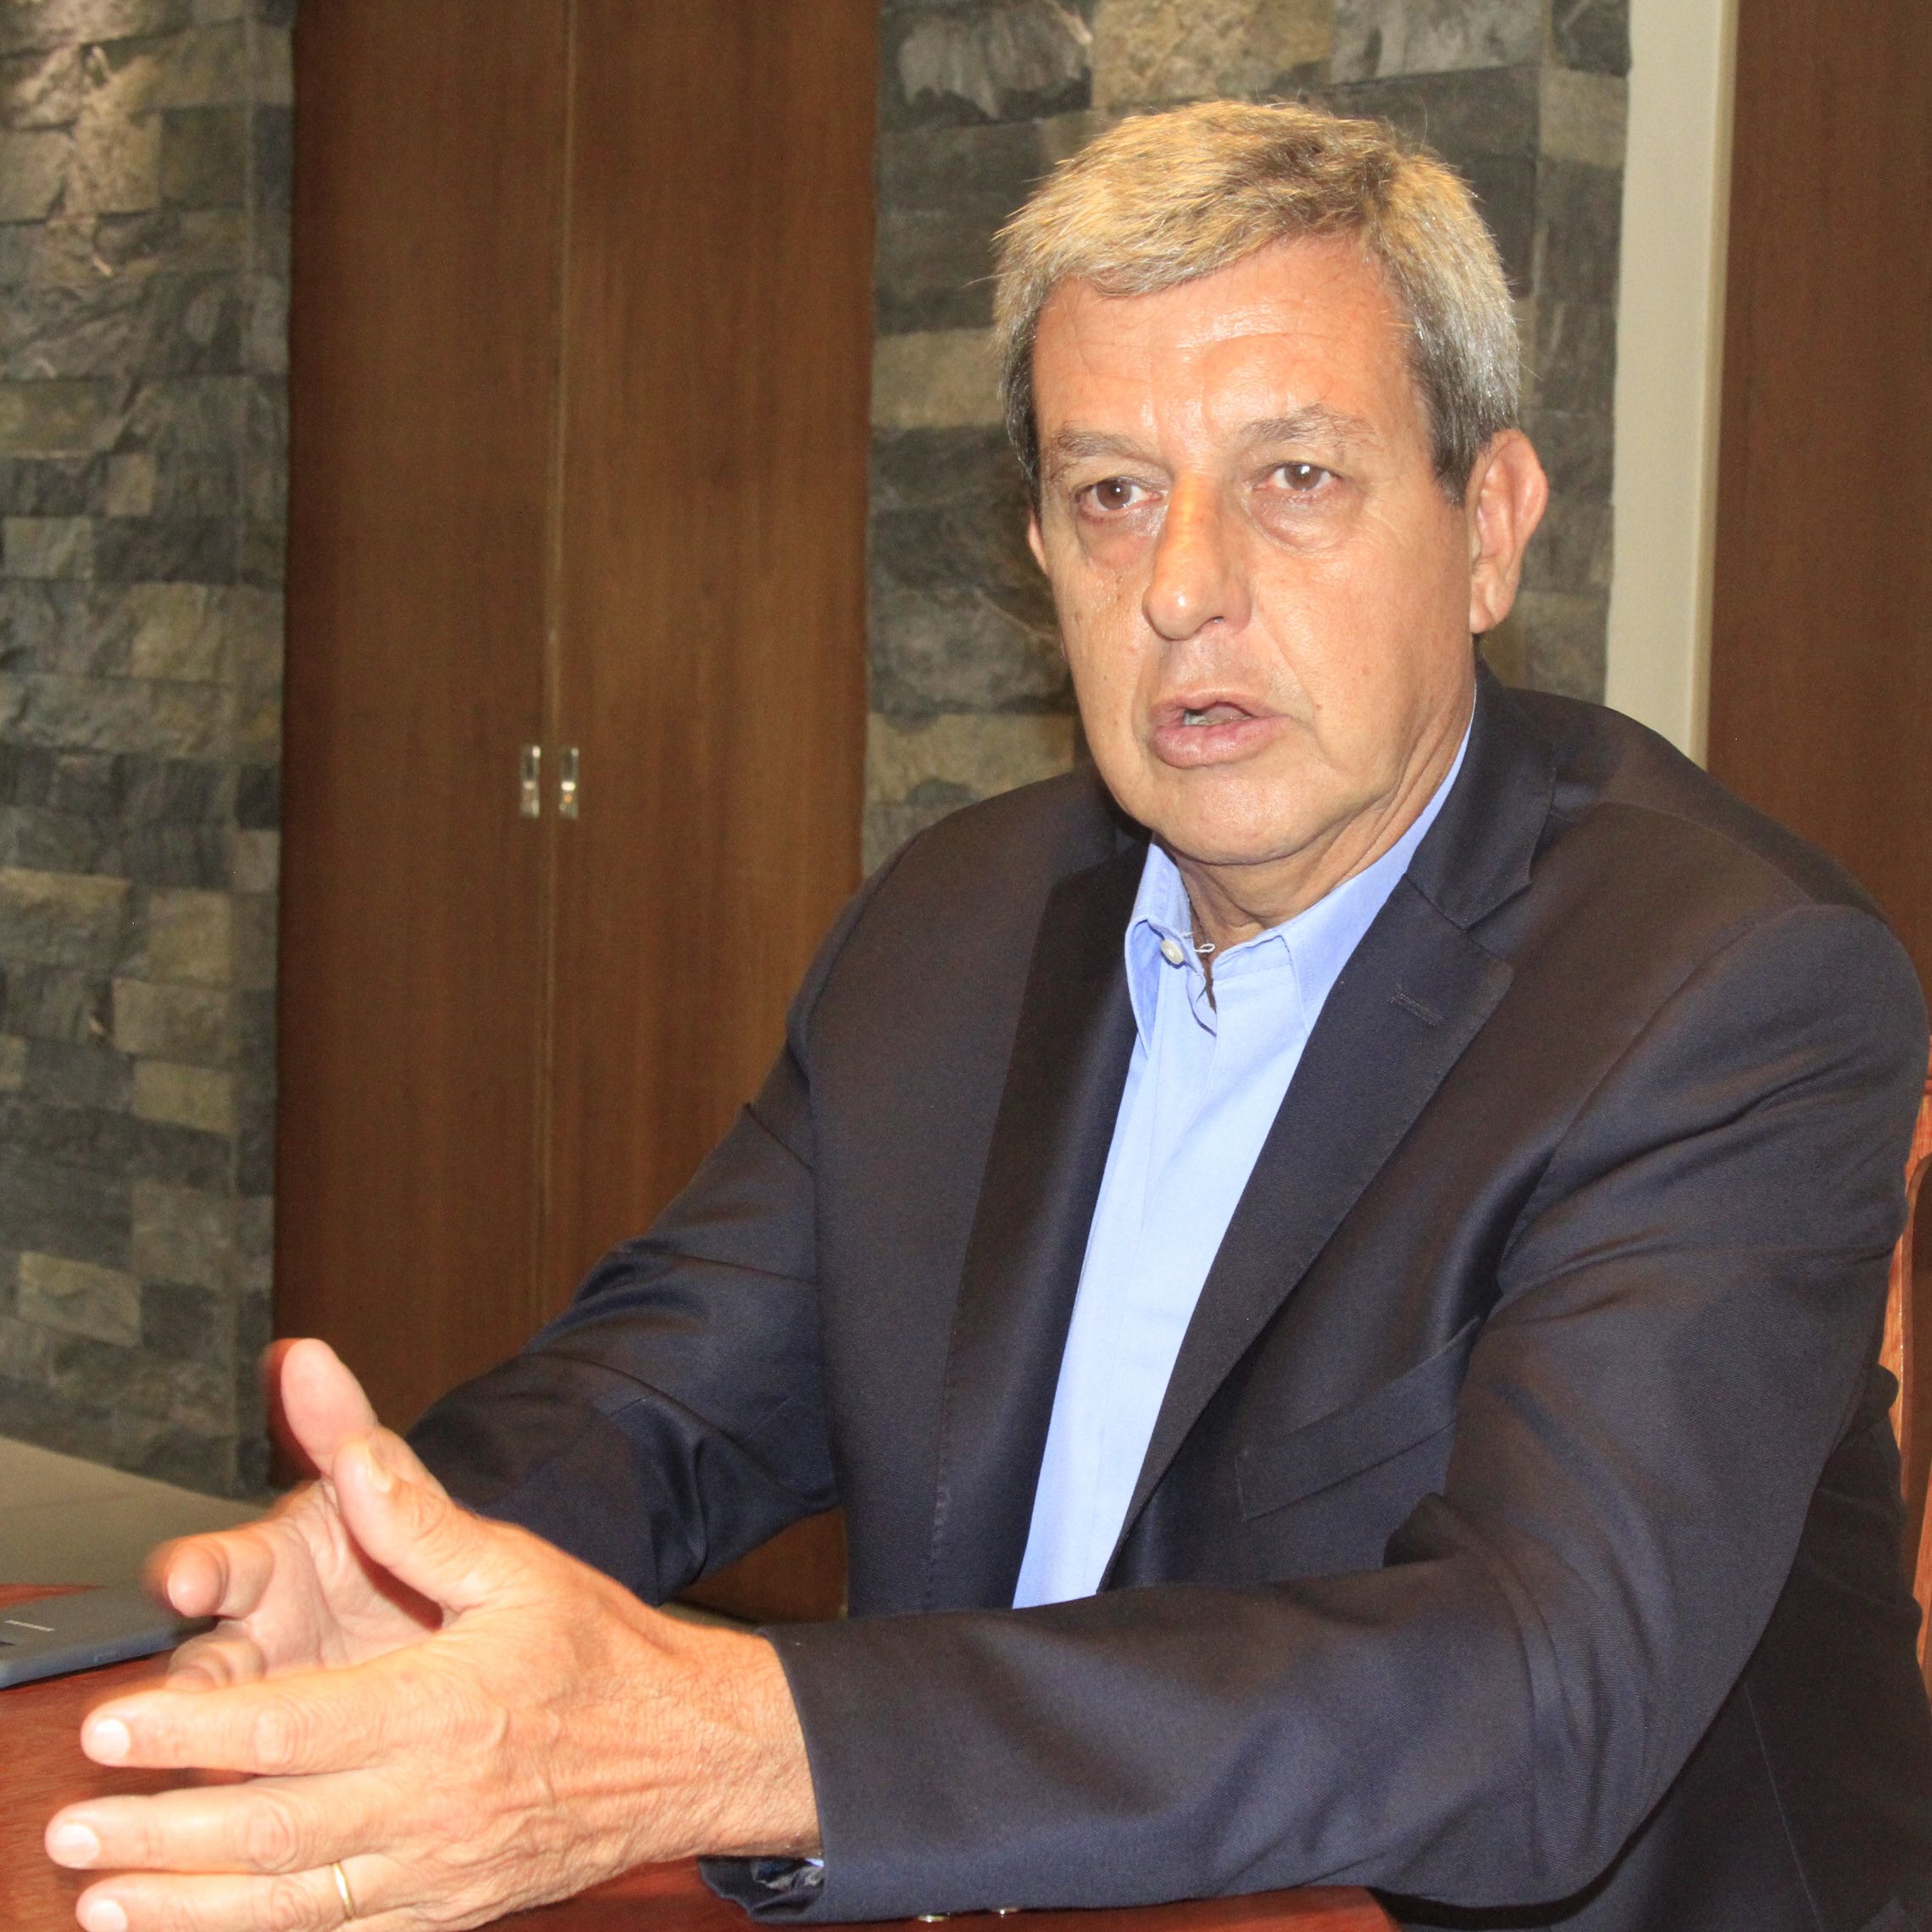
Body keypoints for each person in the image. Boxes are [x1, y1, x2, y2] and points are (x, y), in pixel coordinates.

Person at [46, 100, 1932, 1932]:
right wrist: (404, 1552)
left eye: (1295, 478)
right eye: (1112, 493)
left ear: (1490, 523)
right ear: (1041, 554)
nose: (1184, 589)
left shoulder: (1724, 991)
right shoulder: (958, 924)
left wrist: (748, 1739)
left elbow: (1533, 1695)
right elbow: (673, 1391)